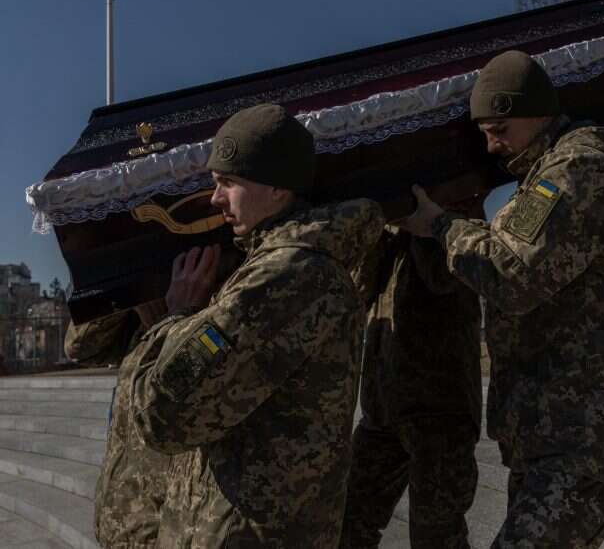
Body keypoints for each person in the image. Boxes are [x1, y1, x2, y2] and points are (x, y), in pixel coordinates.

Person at [400, 50, 604, 548]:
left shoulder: (580, 166)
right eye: (483, 134)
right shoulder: (540, 176)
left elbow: (510, 273)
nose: (492, 146)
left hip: (589, 430)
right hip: (553, 430)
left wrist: (440, 224)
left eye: (499, 129)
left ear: (537, 111)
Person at [126, 103, 384, 546]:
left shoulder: (282, 279)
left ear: (278, 189)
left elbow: (163, 415)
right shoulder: (275, 267)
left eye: (228, 182)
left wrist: (174, 319)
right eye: (214, 183)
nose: (214, 198)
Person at [340, 221, 483, 548]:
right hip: (381, 412)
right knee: (347, 521)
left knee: (436, 534)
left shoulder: (455, 217)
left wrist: (425, 223)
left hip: (438, 414)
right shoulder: (385, 232)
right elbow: (357, 292)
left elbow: (444, 277)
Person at [64, 300, 172, 548]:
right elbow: (79, 345)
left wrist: (174, 318)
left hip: (160, 528)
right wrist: (126, 296)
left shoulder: (209, 301)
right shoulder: (139, 317)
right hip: (120, 523)